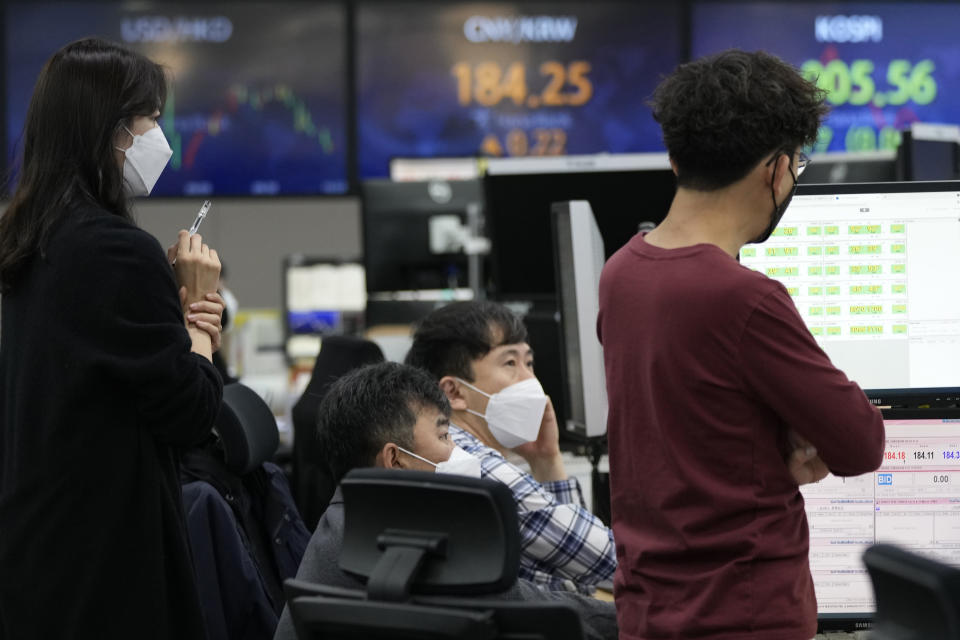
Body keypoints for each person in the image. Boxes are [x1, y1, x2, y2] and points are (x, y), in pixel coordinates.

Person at [597, 49, 886, 639]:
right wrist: (794, 435)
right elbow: (860, 444)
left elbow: (692, 420)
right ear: (777, 169)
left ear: (676, 159)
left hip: (649, 609)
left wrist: (774, 432)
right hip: (743, 614)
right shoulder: (743, 298)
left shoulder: (621, 272)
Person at [0, 38, 225, 639]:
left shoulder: (27, 238)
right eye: (150, 117)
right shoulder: (118, 250)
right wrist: (200, 315)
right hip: (108, 555)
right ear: (111, 130)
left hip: (38, 545)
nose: (160, 135)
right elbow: (190, 415)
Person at [273, 362, 618, 640]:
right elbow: (530, 607)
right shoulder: (407, 541)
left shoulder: (344, 519)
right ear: (395, 459)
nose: (457, 451)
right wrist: (640, 614)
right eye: (443, 435)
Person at [405, 301, 616, 594]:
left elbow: (576, 574)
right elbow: (612, 562)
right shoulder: (476, 466)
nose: (530, 379)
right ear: (453, 392)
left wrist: (547, 459)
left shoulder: (448, 448)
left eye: (528, 363)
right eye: (510, 363)